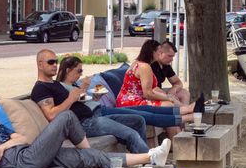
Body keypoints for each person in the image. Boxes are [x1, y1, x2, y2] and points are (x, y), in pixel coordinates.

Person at [0, 85, 169, 168]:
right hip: (19, 162)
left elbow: (20, 137)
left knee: (90, 157)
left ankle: (151, 157)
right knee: (66, 117)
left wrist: (3, 145)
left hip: (26, 152)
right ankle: (88, 151)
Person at [31, 49, 150, 155]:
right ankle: (147, 160)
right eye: (51, 62)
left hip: (93, 117)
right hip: (83, 125)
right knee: (130, 134)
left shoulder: (56, 84)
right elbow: (51, 115)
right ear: (40, 65)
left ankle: (141, 159)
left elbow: (75, 101)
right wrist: (70, 99)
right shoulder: (41, 88)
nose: (55, 65)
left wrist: (86, 97)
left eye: (56, 62)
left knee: (138, 121)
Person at [57, 54, 198, 136]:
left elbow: (86, 102)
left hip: (101, 110)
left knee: (145, 110)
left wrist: (95, 97)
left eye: (82, 71)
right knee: (141, 116)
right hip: (94, 117)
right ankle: (188, 116)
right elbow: (71, 106)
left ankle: (187, 111)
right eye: (79, 71)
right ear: (68, 70)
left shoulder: (75, 85)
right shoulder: (61, 88)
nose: (81, 74)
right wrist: (84, 87)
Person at [152, 40, 190, 106]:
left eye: (173, 56)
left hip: (161, 92)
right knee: (172, 101)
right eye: (169, 56)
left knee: (184, 93)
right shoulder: (151, 65)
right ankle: (186, 109)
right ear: (160, 53)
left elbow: (178, 82)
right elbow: (151, 88)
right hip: (152, 93)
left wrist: (174, 89)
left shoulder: (166, 66)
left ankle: (184, 109)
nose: (172, 59)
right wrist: (168, 96)